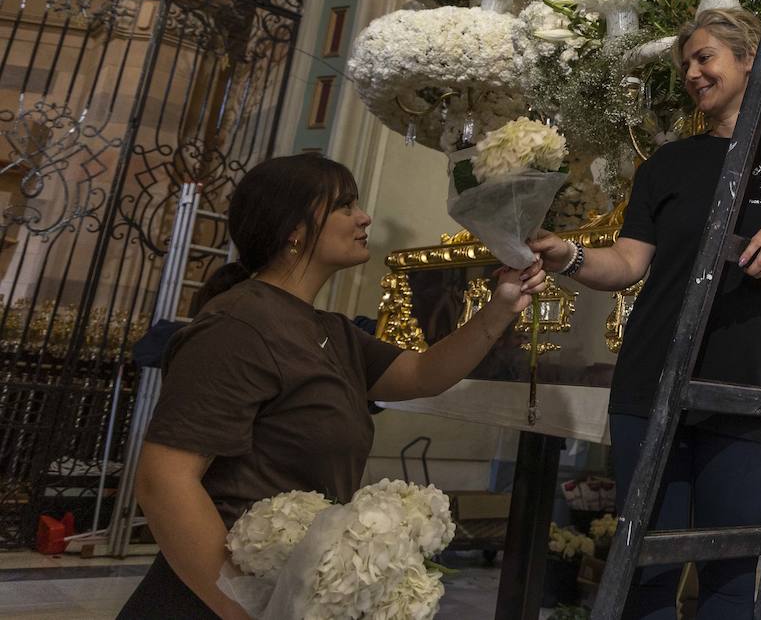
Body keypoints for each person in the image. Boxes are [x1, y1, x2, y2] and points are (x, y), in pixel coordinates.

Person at [528, 8, 761, 620]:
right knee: (644, 574)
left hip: (754, 390)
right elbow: (628, 262)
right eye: (686, 63)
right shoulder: (667, 164)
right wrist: (569, 256)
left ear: (750, 58)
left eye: (705, 57)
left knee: (732, 579)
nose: (691, 73)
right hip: (652, 381)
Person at [119, 154, 544, 619]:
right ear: (293, 229)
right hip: (213, 597)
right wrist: (246, 608)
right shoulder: (238, 325)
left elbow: (423, 374)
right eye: (344, 206)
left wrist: (503, 305)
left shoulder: (331, 330)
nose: (364, 217)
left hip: (285, 594)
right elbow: (164, 481)